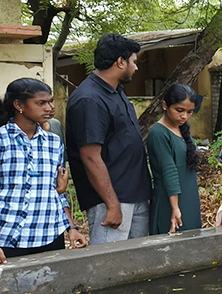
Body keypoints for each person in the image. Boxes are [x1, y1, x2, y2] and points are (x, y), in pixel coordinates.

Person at [66, 33, 151, 244]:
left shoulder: (115, 91)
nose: (136, 67)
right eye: (133, 62)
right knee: (110, 267)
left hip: (135, 194)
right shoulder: (90, 99)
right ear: (120, 62)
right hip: (111, 200)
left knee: (138, 263)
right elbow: (90, 157)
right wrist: (112, 204)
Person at [0, 78, 86, 263]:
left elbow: (57, 193)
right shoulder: (2, 141)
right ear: (18, 105)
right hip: (9, 238)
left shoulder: (53, 143)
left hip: (50, 236)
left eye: (50, 101)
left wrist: (72, 228)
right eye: (41, 103)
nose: (49, 107)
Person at [146, 84, 203, 235]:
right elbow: (169, 170)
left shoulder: (182, 128)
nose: (184, 116)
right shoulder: (158, 133)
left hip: (188, 198)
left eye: (189, 112)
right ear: (165, 105)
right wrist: (175, 208)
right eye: (179, 110)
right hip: (169, 201)